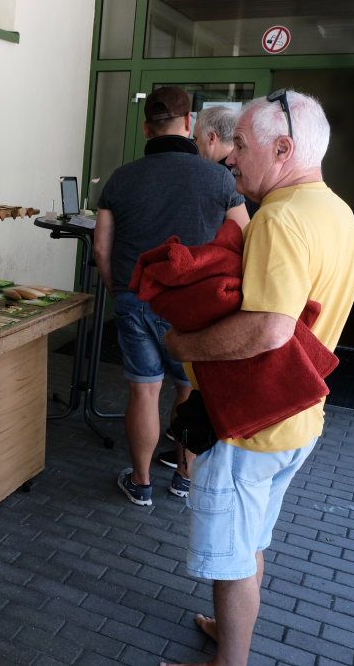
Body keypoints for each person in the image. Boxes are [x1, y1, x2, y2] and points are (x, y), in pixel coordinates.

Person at [161, 90, 354, 666]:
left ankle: (231, 659)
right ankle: (230, 630)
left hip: (248, 427)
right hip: (297, 417)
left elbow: (268, 330)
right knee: (249, 541)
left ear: (283, 149)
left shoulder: (279, 217)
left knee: (231, 559)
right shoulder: (338, 212)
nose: (231, 157)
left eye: (242, 146)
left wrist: (182, 345)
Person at [94, 86, 249, 506]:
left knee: (144, 391)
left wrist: (119, 290)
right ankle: (184, 477)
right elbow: (245, 240)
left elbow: (101, 250)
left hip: (135, 298)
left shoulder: (121, 178)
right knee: (188, 389)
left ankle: (141, 482)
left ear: (146, 129)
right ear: (189, 123)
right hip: (192, 306)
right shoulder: (219, 178)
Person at [193, 106, 260, 218]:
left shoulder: (214, 178)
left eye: (196, 139)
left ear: (211, 138)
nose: (194, 145)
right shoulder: (250, 172)